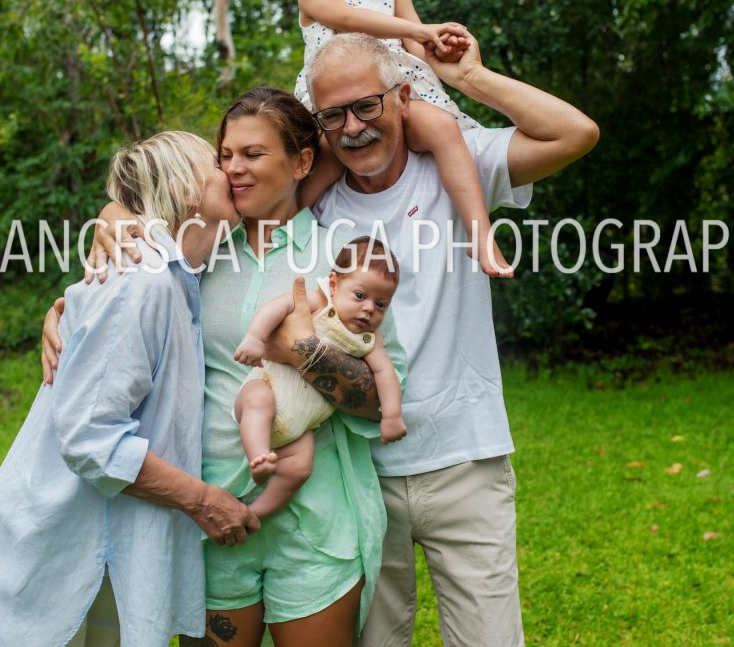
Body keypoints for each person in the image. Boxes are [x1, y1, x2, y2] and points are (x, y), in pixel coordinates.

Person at [42, 88, 409, 647]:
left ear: (302, 162)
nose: (235, 168)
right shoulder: (197, 251)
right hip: (207, 517)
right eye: (225, 156)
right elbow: (118, 306)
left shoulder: (344, 260)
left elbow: (383, 398)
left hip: (316, 520)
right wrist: (63, 310)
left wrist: (304, 351)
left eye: (253, 154)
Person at [294, 32, 598, 647]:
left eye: (367, 106)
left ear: (404, 98)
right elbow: (219, 195)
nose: (353, 128)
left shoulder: (460, 164)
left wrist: (469, 78)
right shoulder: (311, 203)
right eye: (333, 116)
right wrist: (115, 224)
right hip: (356, 471)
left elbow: (575, 134)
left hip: (466, 460)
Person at [0, 131, 259, 647]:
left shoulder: (178, 277)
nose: (230, 170)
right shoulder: (140, 281)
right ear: (183, 188)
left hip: (106, 541)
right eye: (216, 162)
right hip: (66, 544)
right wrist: (204, 501)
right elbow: (90, 438)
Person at [275, 0, 511, 278]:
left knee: (442, 129)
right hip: (335, 113)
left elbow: (415, 48)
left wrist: (439, 48)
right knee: (313, 176)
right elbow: (349, 19)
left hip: (393, 97)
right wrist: (419, 29)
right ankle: (282, 237)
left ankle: (479, 234)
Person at [233, 235, 406, 519]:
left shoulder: (369, 339)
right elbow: (277, 307)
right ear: (334, 284)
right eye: (360, 296)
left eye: (381, 305)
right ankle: (259, 457)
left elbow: (385, 373)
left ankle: (255, 513)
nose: (368, 309)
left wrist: (392, 415)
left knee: (300, 467)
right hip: (267, 386)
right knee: (258, 402)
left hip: (301, 428)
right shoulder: (319, 303)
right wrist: (255, 337)